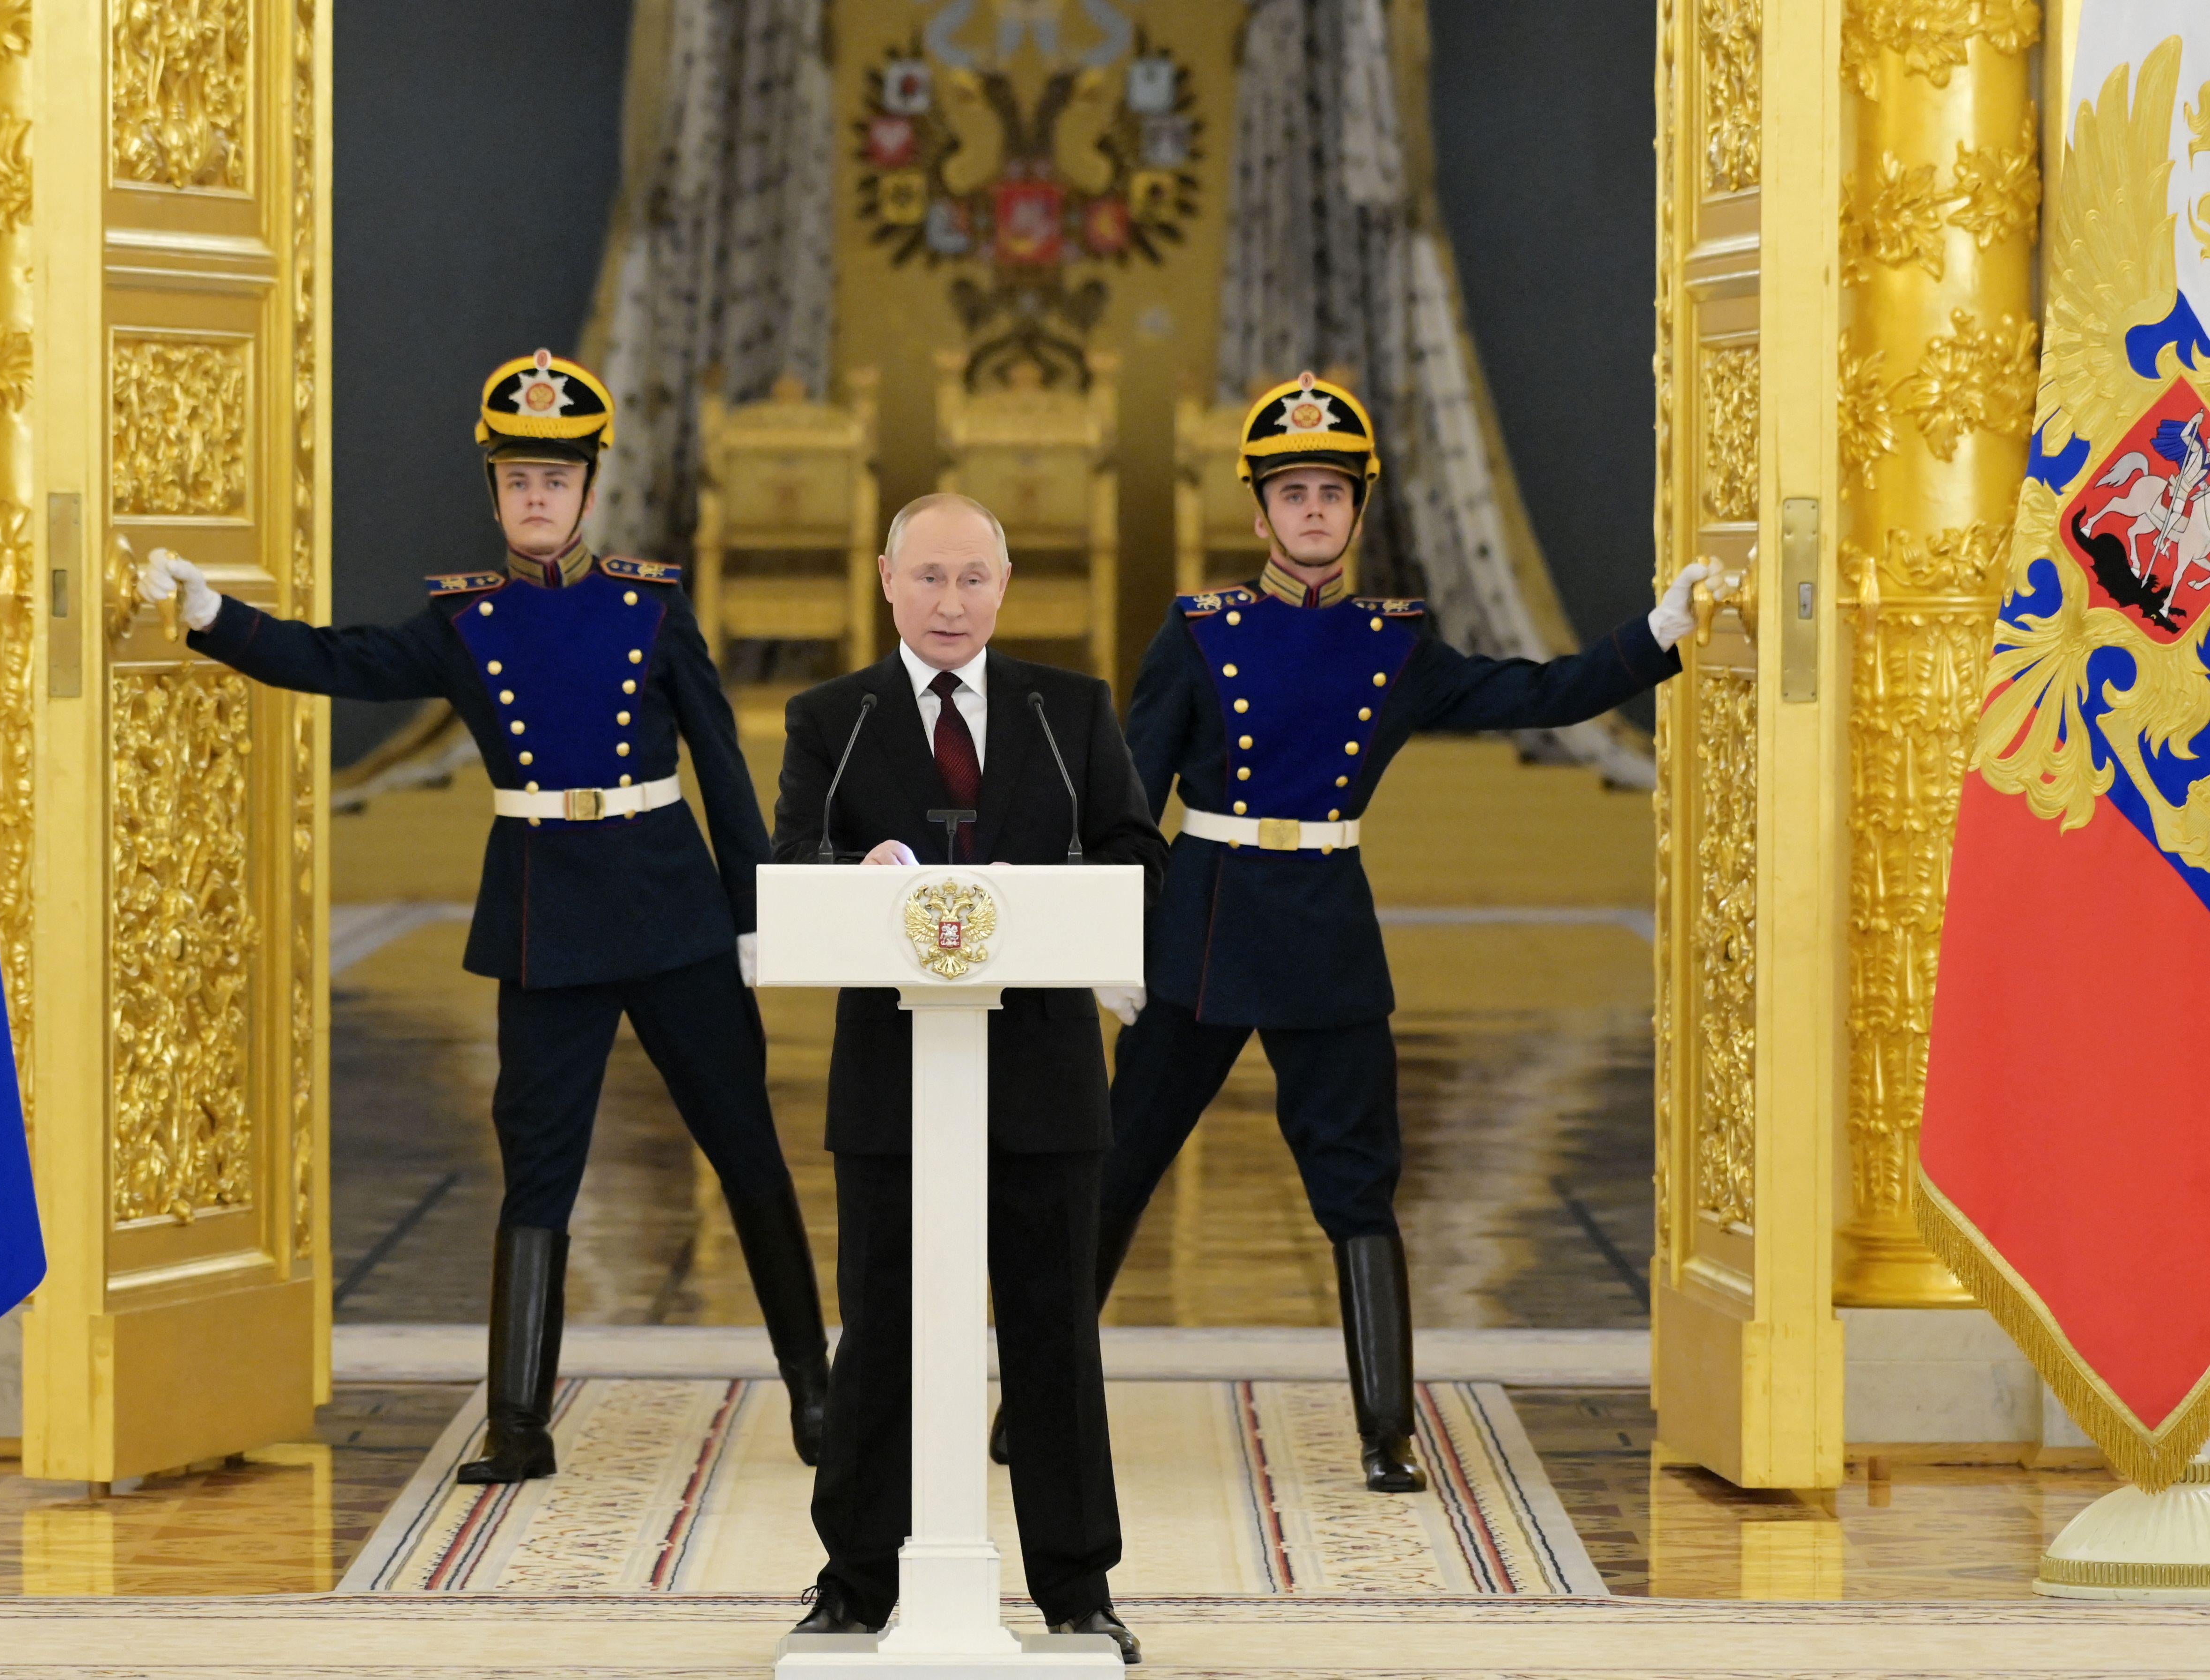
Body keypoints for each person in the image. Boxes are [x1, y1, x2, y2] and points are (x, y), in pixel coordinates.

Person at [988, 372, 1705, 1492]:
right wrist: (1110, 938)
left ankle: (1385, 1433)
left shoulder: (1397, 643)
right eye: (1291, 492)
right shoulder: (1198, 631)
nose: (1311, 511)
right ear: (1258, 509)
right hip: (1204, 928)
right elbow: (1125, 795)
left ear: (1358, 508)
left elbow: (1536, 692)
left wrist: (1652, 638)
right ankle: (1030, 1408)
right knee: (1114, 1167)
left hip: (1323, 936)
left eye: (1330, 491)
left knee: (1358, 1186)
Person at [138, 351, 830, 1483]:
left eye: (556, 481)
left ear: (590, 488)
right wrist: (216, 616)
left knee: (746, 1148)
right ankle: (517, 1422)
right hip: (543, 918)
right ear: (496, 492)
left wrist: (755, 912)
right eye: (518, 481)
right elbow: (339, 661)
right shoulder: (464, 621)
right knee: (538, 1171)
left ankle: (814, 1389)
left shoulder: (652, 606)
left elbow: (720, 762)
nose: (538, 499)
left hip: (671, 909)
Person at [774, 494, 1166, 1665]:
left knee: (1052, 1334)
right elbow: (792, 862)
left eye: (974, 580)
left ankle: (1075, 1589)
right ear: (885, 580)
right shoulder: (830, 718)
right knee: (881, 1333)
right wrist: (862, 867)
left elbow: (1136, 853)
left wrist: (1047, 888)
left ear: (1004, 588)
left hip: (1043, 1080)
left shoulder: (1071, 712)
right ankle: (851, 1581)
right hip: (893, 1085)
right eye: (929, 578)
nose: (951, 603)